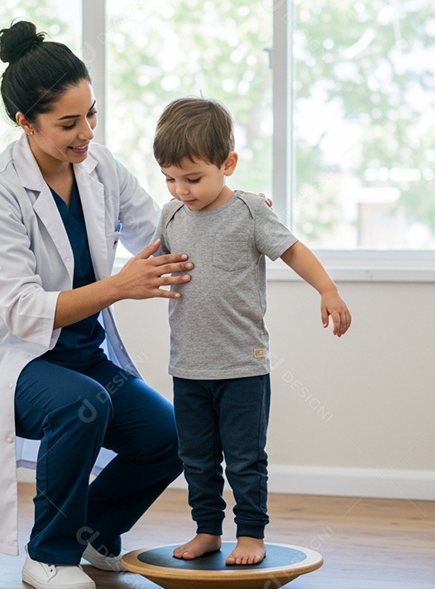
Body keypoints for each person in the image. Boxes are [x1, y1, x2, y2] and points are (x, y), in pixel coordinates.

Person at [0, 21, 194, 589]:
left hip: (82, 356)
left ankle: (93, 533)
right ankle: (48, 556)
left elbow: (162, 234)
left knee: (172, 437)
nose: (87, 133)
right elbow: (23, 310)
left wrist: (226, 210)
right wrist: (119, 286)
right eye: (69, 123)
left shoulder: (101, 168)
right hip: (13, 363)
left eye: (91, 115)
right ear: (25, 122)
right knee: (82, 402)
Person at [151, 97, 352, 566]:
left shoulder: (250, 211)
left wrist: (327, 289)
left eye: (193, 178)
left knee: (245, 458)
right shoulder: (172, 214)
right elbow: (156, 262)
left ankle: (250, 534)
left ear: (228, 164)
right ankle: (206, 530)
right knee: (196, 458)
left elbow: (293, 250)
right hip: (188, 365)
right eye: (170, 178)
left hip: (243, 365)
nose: (181, 189)